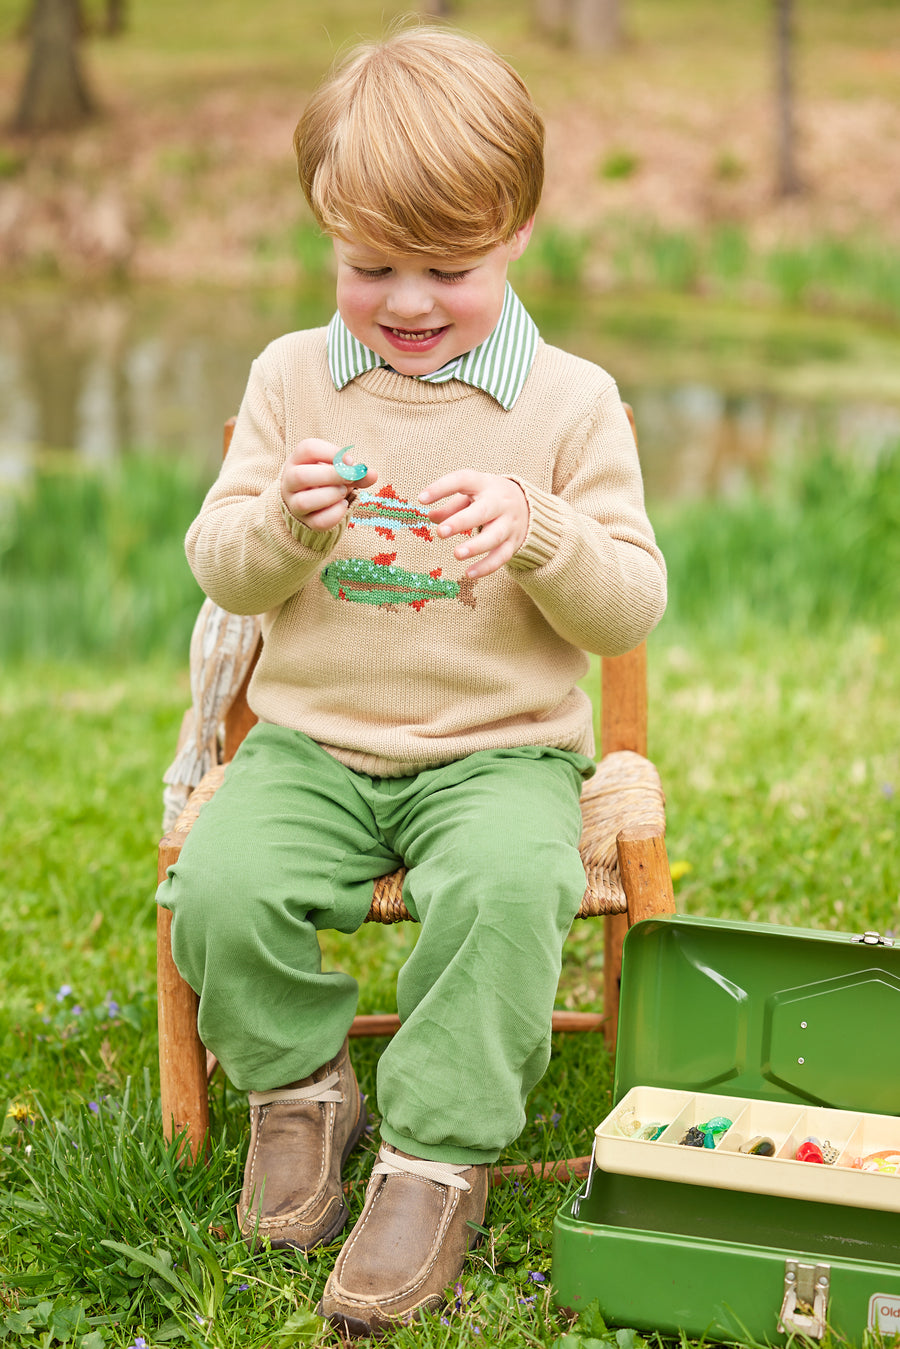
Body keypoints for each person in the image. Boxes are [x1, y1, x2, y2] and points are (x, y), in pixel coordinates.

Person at [157, 22, 666, 1337]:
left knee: (510, 890)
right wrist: (286, 521)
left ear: (517, 234)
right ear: (327, 237)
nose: (411, 301)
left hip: (500, 752)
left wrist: (544, 532)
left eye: (450, 267)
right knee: (217, 884)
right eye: (370, 265)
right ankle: (297, 1084)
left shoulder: (570, 401)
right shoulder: (290, 380)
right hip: (313, 747)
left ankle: (438, 1149)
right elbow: (222, 563)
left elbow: (631, 600)